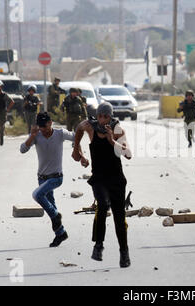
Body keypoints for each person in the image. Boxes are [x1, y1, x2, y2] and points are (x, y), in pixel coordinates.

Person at [72, 102, 133, 268]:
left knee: (119, 217)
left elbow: (128, 154)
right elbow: (78, 129)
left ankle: (124, 252)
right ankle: (98, 246)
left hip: (116, 179)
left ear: (110, 116)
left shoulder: (118, 130)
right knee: (102, 205)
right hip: (99, 178)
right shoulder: (90, 127)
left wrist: (112, 141)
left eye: (106, 116)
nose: (102, 119)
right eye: (100, 116)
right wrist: (76, 150)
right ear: (97, 116)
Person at [20, 112, 75, 247]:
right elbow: (22, 149)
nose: (42, 130)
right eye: (40, 127)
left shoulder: (60, 133)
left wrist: (79, 149)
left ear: (50, 123)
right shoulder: (37, 135)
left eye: (44, 127)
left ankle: (57, 216)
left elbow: (75, 137)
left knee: (37, 195)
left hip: (56, 177)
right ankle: (61, 233)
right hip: (42, 179)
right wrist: (32, 135)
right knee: (51, 207)